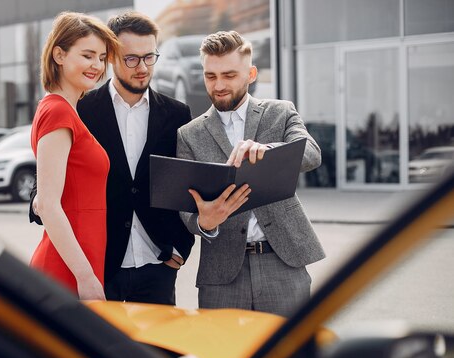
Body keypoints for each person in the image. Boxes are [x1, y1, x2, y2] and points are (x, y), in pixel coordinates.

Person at [30, 12, 195, 305]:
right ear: (114, 58)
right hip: (100, 266)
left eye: (149, 57)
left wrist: (182, 246)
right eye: (131, 58)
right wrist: (45, 202)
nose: (142, 67)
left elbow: (185, 185)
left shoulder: (177, 114)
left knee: (156, 352)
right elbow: (46, 189)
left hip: (158, 264)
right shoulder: (80, 109)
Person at [176, 31, 325, 316]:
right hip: (221, 272)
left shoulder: (279, 113)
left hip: (282, 261)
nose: (218, 85)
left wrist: (267, 149)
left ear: (251, 73)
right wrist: (204, 222)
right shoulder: (189, 134)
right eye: (211, 76)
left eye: (229, 75)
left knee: (290, 355)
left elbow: (311, 154)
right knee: (223, 357)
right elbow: (186, 210)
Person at [29, 12, 120, 300]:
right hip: (67, 270)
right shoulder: (57, 111)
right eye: (88, 55)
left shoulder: (68, 111)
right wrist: (86, 277)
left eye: (102, 58)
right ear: (59, 54)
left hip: (80, 262)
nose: (97, 65)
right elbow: (47, 204)